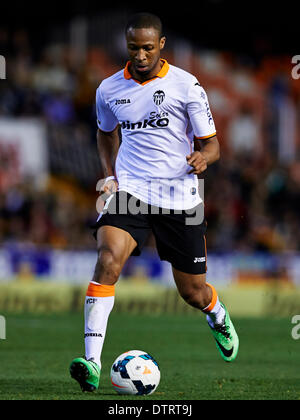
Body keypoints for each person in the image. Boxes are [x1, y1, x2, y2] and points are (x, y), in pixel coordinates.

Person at [69, 12, 239, 392]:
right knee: (108, 259)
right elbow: (105, 133)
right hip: (131, 190)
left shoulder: (187, 85)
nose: (141, 54)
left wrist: (203, 158)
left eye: (148, 47)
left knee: (193, 292)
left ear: (161, 44)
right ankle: (92, 363)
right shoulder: (109, 89)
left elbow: (212, 144)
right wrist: (108, 173)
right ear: (126, 46)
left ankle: (216, 314)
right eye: (134, 47)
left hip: (179, 197)